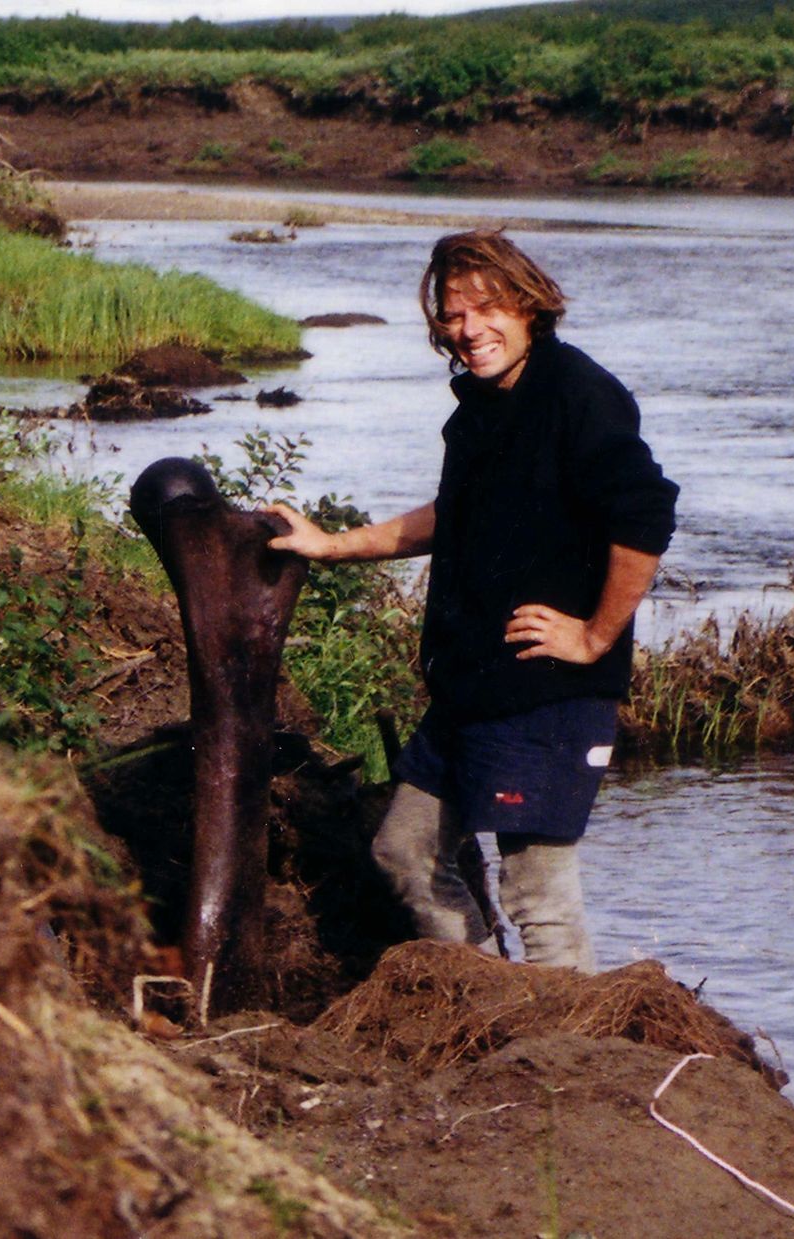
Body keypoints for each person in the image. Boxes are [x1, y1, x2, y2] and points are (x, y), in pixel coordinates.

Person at [266, 229, 678, 972]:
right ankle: (490, 1002)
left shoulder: (580, 394)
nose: (469, 330)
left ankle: (569, 1061)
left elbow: (645, 515)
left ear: (529, 306)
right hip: (470, 686)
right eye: (454, 316)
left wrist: (594, 636)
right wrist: (331, 544)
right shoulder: (484, 404)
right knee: (406, 850)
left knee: (537, 894)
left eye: (486, 309)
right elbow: (454, 512)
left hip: (549, 691)